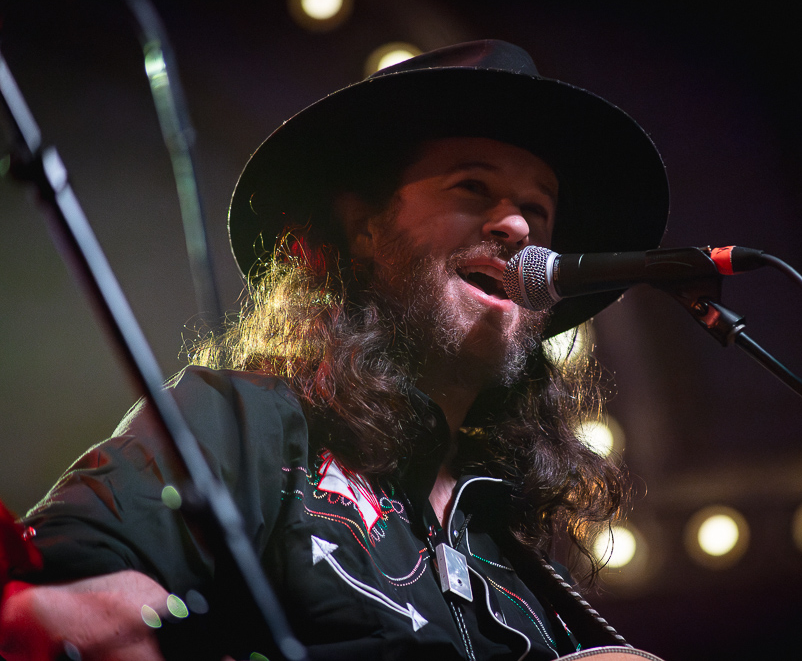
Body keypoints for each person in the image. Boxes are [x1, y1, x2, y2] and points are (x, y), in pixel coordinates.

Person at [0, 40, 669, 660]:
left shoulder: (514, 553)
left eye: (538, 209)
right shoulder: (241, 424)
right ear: (364, 227)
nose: (518, 224)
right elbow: (35, 613)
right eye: (472, 186)